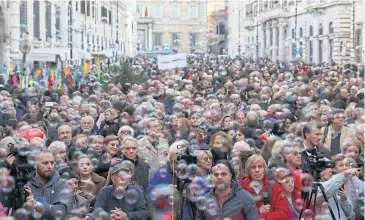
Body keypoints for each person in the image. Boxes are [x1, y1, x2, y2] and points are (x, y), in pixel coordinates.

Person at [25, 150, 72, 219]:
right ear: (35, 165)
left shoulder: (61, 184)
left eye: (52, 163)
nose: (50, 166)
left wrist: (36, 204)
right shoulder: (27, 184)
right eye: (45, 163)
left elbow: (60, 211)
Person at [238, 155, 288, 219]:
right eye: (253, 167)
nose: (257, 170)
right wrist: (259, 212)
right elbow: (238, 216)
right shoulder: (240, 188)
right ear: (248, 171)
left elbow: (283, 214)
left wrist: (263, 216)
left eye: (260, 166)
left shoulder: (274, 186)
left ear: (264, 169)